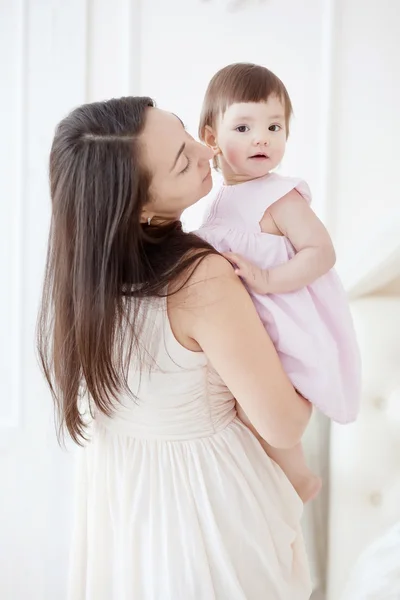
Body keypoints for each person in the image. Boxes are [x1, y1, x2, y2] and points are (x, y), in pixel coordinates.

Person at [37, 96, 312, 599]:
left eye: (184, 131)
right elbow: (284, 423)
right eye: (183, 160)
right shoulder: (200, 279)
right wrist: (316, 356)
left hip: (122, 504)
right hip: (205, 509)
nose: (206, 151)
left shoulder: (84, 283)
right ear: (137, 206)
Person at [197, 63, 361, 503]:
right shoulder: (216, 205)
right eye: (245, 126)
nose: (262, 138)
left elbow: (321, 251)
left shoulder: (279, 195)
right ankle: (273, 479)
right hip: (245, 325)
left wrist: (270, 279)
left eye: (274, 126)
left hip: (283, 320)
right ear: (211, 138)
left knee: (263, 406)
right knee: (238, 409)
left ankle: (299, 477)